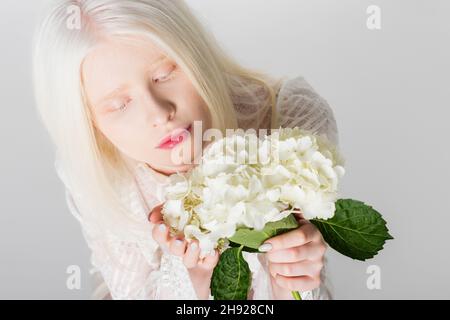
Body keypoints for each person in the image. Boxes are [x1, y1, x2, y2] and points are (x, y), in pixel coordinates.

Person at [32, 0, 338, 300]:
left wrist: (289, 279)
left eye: (164, 75)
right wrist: (194, 282)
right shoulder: (96, 172)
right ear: (90, 126)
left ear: (195, 55)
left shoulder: (289, 124)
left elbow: (304, 286)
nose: (159, 113)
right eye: (119, 105)